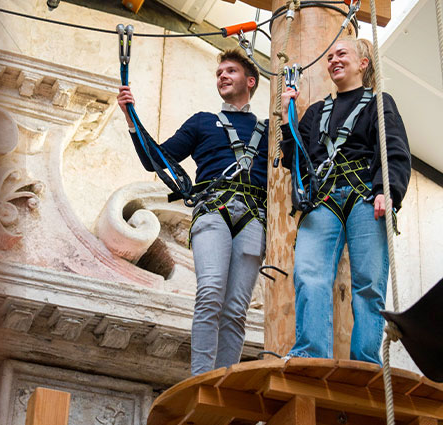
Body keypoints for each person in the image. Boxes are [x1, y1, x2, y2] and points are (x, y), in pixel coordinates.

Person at [116, 48, 269, 375]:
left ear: (250, 81)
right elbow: (155, 158)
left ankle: (223, 380)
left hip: (254, 217)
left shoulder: (271, 132)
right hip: (214, 211)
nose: (223, 76)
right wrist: (132, 120)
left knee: (236, 308)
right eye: (219, 73)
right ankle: (202, 377)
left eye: (231, 71)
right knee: (211, 292)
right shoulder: (203, 122)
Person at [282, 39, 410, 365]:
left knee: (368, 283)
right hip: (324, 197)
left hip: (366, 195)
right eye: (330, 57)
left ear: (363, 63)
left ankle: (366, 360)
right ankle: (311, 353)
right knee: (309, 273)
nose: (334, 61)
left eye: (342, 55)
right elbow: (297, 159)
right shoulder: (316, 112)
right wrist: (289, 117)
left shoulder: (378, 103)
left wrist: (387, 190)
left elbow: (393, 148)